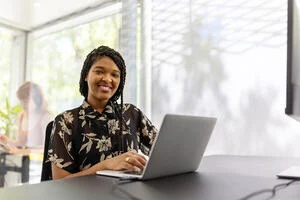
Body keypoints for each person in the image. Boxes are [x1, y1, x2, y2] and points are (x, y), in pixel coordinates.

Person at [48, 45, 158, 179]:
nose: (107, 79)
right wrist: (106, 165)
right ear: (86, 76)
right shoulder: (66, 120)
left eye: (114, 75)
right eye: (99, 72)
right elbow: (59, 181)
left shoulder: (132, 113)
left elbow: (164, 151)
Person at [0, 81, 52, 150]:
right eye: (21, 101)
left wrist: (26, 151)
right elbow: (20, 144)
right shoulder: (21, 116)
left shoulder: (46, 117)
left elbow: (47, 148)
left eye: (26, 101)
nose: (23, 105)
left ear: (37, 99)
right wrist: (6, 140)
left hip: (37, 159)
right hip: (23, 159)